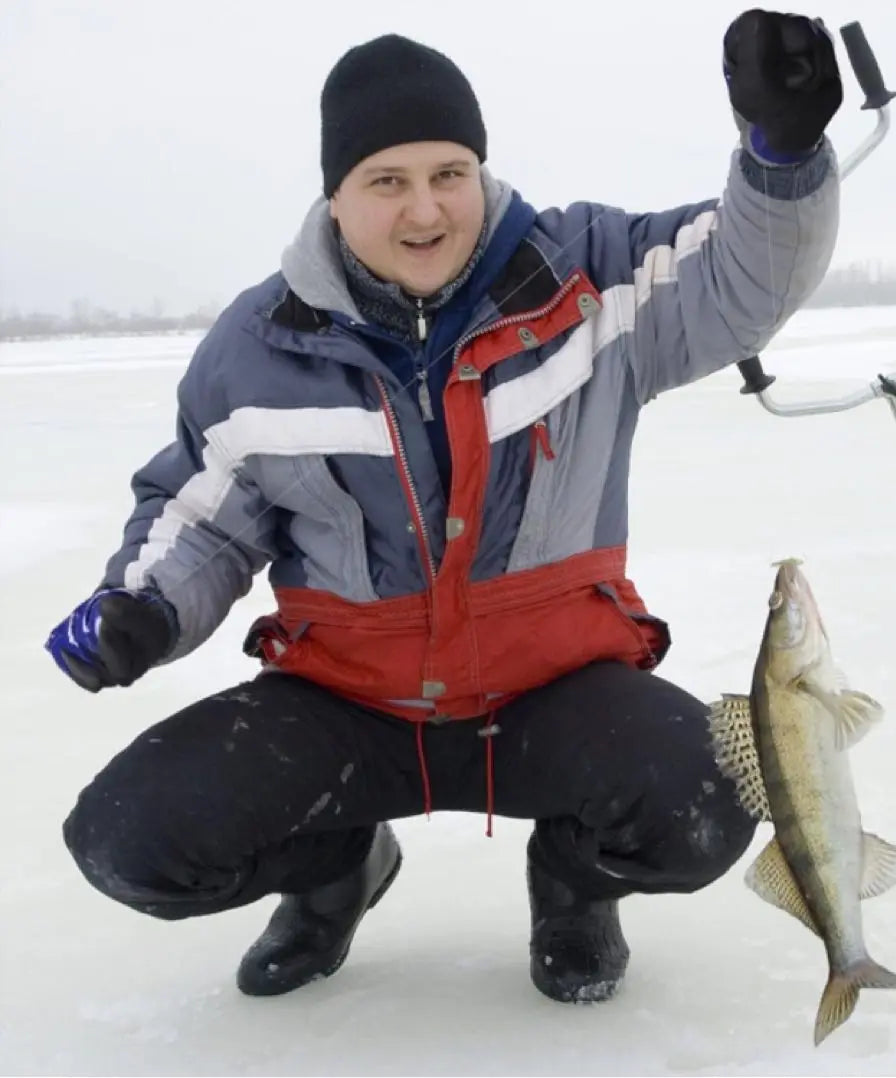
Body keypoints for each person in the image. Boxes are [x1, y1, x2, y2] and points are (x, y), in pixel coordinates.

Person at [47, 10, 843, 1005]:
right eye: (387, 181)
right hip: (350, 703)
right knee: (129, 840)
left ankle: (572, 884)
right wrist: (141, 609)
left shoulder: (588, 278)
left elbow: (740, 271)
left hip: (549, 690)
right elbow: (203, 516)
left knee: (708, 798)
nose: (425, 210)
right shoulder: (254, 349)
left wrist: (782, 154)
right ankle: (337, 869)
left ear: (480, 172)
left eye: (448, 173)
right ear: (336, 196)